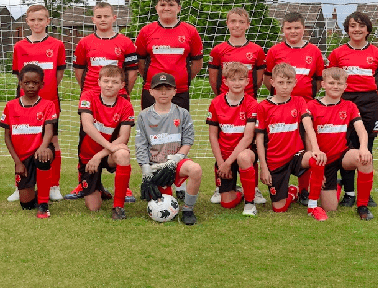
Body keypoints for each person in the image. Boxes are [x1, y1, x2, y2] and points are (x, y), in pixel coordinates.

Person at [327, 11, 378, 209]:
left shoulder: (377, 53)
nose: (357, 29)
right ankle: (349, 193)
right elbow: (330, 82)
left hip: (369, 104)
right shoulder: (337, 54)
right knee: (346, 147)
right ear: (347, 29)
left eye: (361, 26)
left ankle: (366, 193)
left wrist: (374, 97)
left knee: (367, 148)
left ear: (367, 30)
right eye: (353, 25)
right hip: (344, 103)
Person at [255, 62, 324, 219]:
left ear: (294, 83)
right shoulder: (263, 106)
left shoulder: (299, 101)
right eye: (280, 82)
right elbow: (259, 139)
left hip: (296, 155)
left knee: (316, 159)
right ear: (272, 83)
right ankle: (292, 192)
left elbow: (308, 126)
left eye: (288, 82)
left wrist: (316, 149)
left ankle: (313, 207)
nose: (284, 87)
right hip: (275, 161)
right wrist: (263, 168)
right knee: (279, 209)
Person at [306, 67, 376, 220]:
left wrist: (363, 148)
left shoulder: (349, 106)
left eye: (339, 83)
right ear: (323, 84)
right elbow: (308, 136)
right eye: (331, 83)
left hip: (343, 155)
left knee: (365, 159)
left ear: (345, 86)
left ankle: (362, 205)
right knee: (330, 209)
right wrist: (315, 167)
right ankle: (337, 185)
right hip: (323, 160)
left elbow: (362, 131)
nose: (335, 86)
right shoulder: (311, 106)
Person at [11, 5, 65, 202]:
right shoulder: (19, 47)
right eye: (33, 20)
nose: (37, 23)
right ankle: (21, 184)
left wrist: (47, 91)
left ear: (48, 21)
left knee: (53, 141)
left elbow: (58, 73)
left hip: (49, 102)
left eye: (41, 19)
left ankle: (54, 185)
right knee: (22, 141)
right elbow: (19, 75)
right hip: (25, 105)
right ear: (27, 21)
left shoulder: (57, 45)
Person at [134, 73, 202, 225]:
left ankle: (188, 209)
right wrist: (146, 171)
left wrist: (174, 160)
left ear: (174, 91)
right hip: (156, 166)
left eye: (167, 88)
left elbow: (188, 141)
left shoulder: (182, 113)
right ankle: (167, 191)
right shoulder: (144, 116)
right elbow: (141, 145)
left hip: (176, 162)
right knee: (160, 199)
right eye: (159, 89)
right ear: (151, 92)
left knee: (196, 170)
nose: (163, 92)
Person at [75, 65, 135, 219]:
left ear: (122, 85)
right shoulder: (88, 96)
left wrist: (101, 154)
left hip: (107, 155)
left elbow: (124, 138)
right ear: (99, 82)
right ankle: (97, 188)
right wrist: (102, 151)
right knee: (94, 207)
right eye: (106, 81)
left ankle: (118, 206)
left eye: (114, 82)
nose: (109, 85)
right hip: (89, 156)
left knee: (123, 153)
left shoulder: (126, 105)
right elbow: (88, 127)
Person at [0, 64, 57, 218]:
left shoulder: (48, 105)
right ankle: (38, 193)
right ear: (21, 83)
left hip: (40, 150)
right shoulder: (10, 106)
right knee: (26, 205)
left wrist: (43, 147)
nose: (31, 86)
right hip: (22, 158)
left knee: (43, 156)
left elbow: (49, 131)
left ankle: (43, 205)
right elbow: (7, 137)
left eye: (35, 83)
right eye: (27, 82)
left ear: (42, 84)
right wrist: (17, 161)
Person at [205, 62, 260, 215]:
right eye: (233, 79)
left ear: (247, 82)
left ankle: (250, 203)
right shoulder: (216, 103)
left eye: (241, 79)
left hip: (244, 153)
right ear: (225, 81)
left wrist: (228, 163)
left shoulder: (252, 104)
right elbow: (212, 136)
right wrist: (222, 163)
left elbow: (248, 138)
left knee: (243, 157)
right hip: (224, 155)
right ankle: (241, 192)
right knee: (227, 203)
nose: (237, 83)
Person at [135, 0, 203, 110]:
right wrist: (150, 78)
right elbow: (140, 61)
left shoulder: (190, 31)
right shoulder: (146, 31)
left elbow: (197, 62)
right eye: (162, 5)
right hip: (152, 91)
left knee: (178, 127)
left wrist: (183, 78)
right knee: (151, 127)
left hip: (179, 91)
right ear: (156, 7)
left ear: (179, 8)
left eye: (171, 5)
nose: (167, 8)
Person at [263, 11, 324, 100]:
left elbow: (319, 79)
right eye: (288, 28)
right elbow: (267, 77)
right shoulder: (274, 51)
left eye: (297, 28)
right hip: (281, 102)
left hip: (306, 102)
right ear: (283, 29)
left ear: (303, 28)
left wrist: (311, 93)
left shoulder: (314, 51)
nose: (293, 31)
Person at [208, 7, 266, 99]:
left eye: (242, 22)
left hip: (249, 100)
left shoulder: (257, 50)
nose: (237, 25)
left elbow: (258, 80)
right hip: (224, 101)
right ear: (227, 24)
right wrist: (223, 97)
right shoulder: (217, 50)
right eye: (233, 21)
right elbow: (213, 80)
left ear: (247, 25)